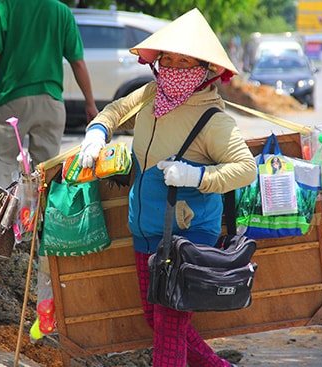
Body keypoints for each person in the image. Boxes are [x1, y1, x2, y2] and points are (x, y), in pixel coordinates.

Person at [78, 8, 256, 367]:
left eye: (184, 60)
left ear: (204, 67)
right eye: (168, 58)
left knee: (170, 326)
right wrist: (95, 136)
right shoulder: (151, 94)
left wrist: (196, 177)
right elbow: (113, 112)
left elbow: (245, 169)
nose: (173, 67)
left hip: (187, 237)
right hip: (145, 231)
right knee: (155, 319)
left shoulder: (214, 120)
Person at [0, 0, 98, 195]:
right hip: (51, 103)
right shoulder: (62, 12)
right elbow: (77, 63)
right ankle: (42, 221)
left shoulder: (7, 6)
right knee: (46, 172)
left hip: (12, 101)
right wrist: (90, 104)